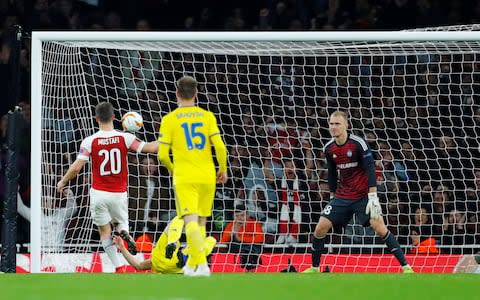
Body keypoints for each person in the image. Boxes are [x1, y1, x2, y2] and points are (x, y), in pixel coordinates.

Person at [303, 110, 414, 273]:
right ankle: (314, 268)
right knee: (320, 228)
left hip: (363, 196)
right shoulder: (329, 148)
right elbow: (332, 173)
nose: (333, 127)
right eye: (331, 124)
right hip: (342, 196)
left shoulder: (358, 143)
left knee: (380, 228)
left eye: (337, 124)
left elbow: (370, 168)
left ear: (346, 125)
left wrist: (373, 195)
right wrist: (333, 196)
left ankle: (406, 267)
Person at [56, 102, 159, 272]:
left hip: (98, 194)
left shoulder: (90, 141)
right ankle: (124, 232)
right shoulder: (125, 138)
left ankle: (118, 267)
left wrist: (63, 181)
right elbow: (150, 148)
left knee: (104, 232)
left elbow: (76, 168)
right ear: (114, 117)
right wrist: (168, 138)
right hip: (118, 193)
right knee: (121, 221)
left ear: (96, 119)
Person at [157, 75, 228, 276]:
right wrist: (222, 169)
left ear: (177, 94)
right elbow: (220, 147)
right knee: (201, 222)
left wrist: (172, 168)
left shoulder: (169, 119)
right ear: (196, 94)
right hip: (207, 175)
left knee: (190, 222)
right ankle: (192, 266)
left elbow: (162, 155)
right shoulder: (207, 116)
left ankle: (203, 266)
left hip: (185, 176)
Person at [113, 216, 217, 274]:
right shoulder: (188, 267)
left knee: (180, 217)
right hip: (177, 267)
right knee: (208, 242)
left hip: (162, 258)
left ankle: (172, 241)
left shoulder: (156, 261)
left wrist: (122, 248)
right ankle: (183, 252)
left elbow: (138, 266)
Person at [220, 204, 264, 272]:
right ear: (233, 216)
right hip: (238, 248)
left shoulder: (255, 223)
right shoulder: (231, 225)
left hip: (251, 247)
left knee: (253, 247)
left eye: (242, 215)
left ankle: (249, 262)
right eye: (237, 216)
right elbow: (223, 242)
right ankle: (248, 262)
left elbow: (260, 238)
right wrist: (231, 234)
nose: (240, 218)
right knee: (235, 243)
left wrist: (240, 238)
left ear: (247, 215)